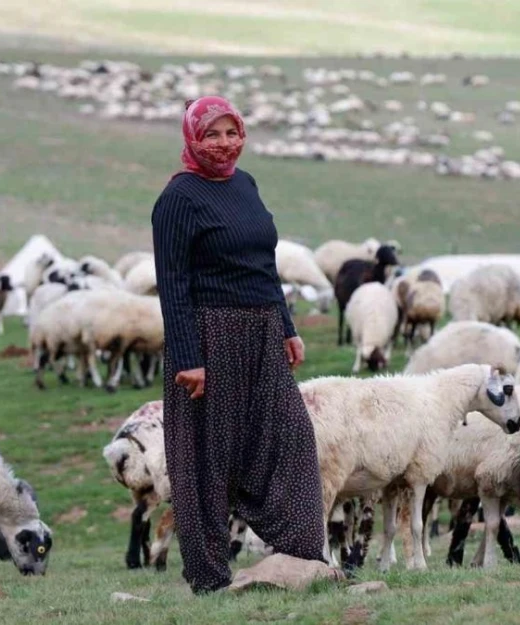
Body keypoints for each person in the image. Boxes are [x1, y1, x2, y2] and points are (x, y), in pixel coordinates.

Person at [152, 96, 327, 594]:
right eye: (212, 135)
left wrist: (287, 325)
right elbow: (173, 282)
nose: (224, 144)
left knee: (291, 438)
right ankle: (208, 576)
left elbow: (264, 267)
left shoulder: (245, 185)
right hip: (210, 338)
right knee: (206, 457)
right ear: (192, 138)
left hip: (264, 333)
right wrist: (188, 357)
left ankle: (300, 555)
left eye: (232, 133)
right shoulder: (178, 199)